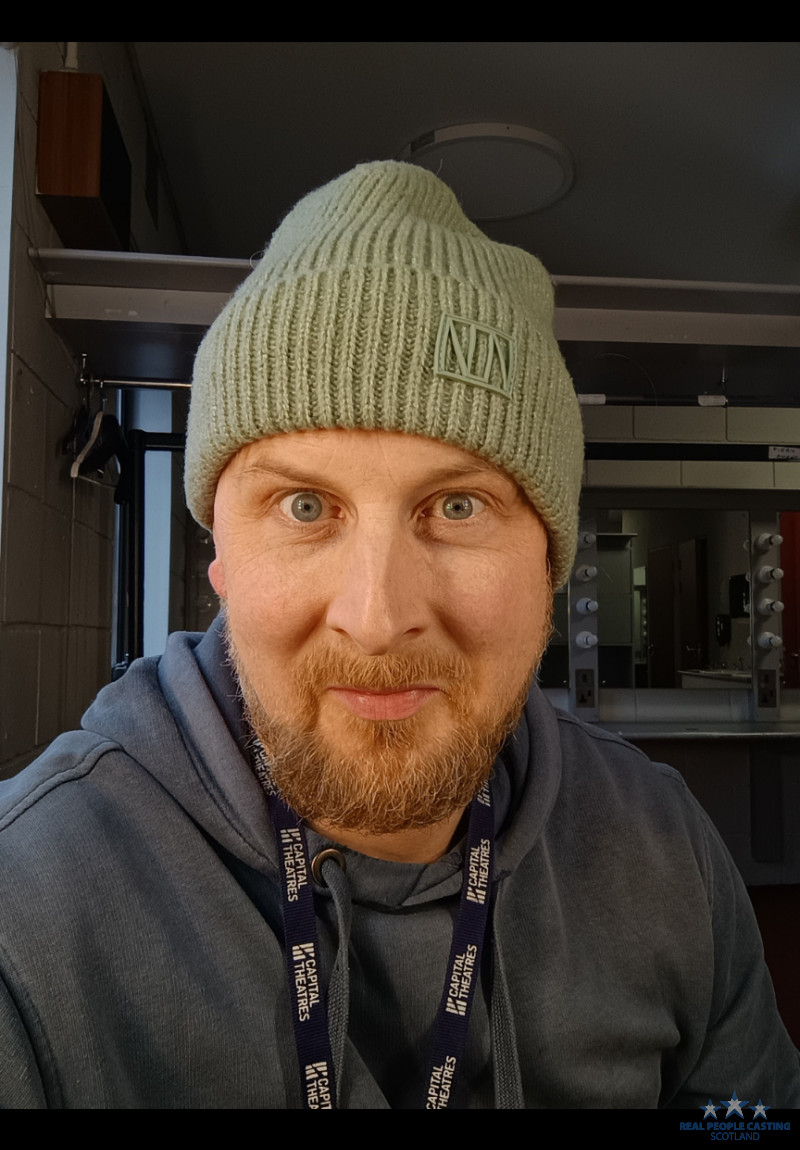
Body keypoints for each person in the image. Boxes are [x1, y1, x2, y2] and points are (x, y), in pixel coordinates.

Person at [1, 161, 797, 1110]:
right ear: (220, 562)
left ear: (550, 565)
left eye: (458, 506)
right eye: (305, 506)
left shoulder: (664, 851)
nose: (376, 619)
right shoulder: (27, 916)